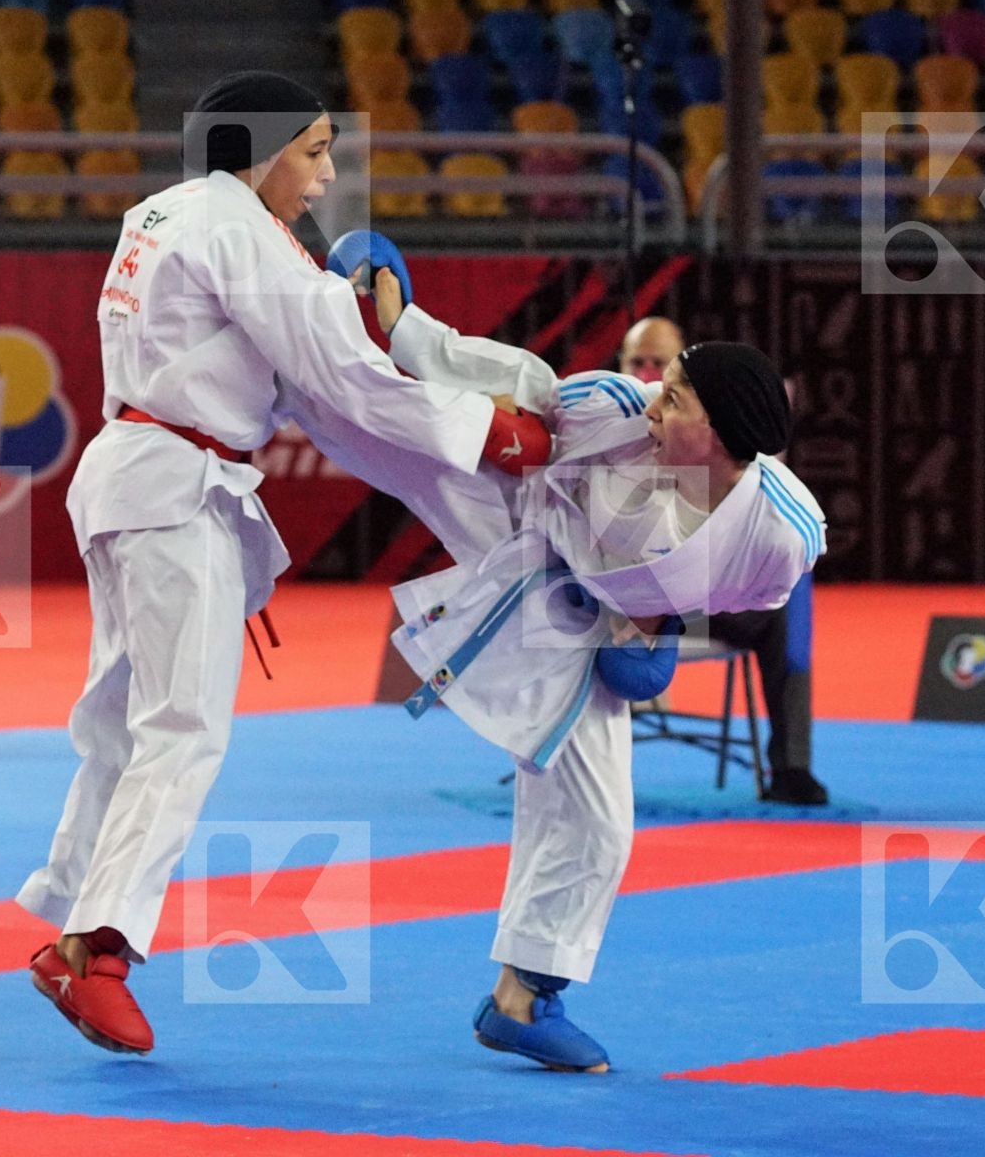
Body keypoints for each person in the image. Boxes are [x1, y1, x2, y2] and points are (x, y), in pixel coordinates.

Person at [14, 74, 548, 1057]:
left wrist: (350, 323)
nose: (327, 173)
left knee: (125, 726)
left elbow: (313, 359)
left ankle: (73, 917)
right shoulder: (240, 231)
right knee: (179, 730)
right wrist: (496, 431)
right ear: (259, 153)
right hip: (174, 488)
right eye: (313, 150)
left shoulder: (162, 211)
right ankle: (96, 952)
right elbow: (344, 377)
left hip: (135, 476)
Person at [322, 230, 826, 1073]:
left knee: (597, 824)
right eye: (662, 389)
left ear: (728, 435)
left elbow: (742, 598)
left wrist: (662, 625)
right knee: (395, 420)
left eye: (676, 403)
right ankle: (279, 342)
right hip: (522, 512)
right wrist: (409, 328)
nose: (655, 405)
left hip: (577, 613)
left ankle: (523, 999)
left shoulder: (781, 532)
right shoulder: (613, 408)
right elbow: (516, 377)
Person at [612, 318, 827, 806]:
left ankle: (792, 767)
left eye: (658, 365)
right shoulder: (612, 419)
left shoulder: (729, 436)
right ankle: (559, 759)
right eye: (636, 362)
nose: (647, 374)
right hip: (624, 597)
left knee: (792, 600)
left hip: (714, 600)